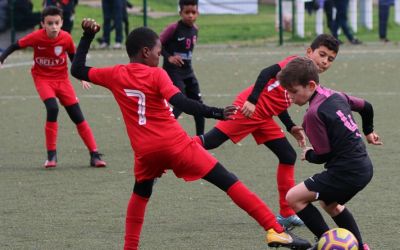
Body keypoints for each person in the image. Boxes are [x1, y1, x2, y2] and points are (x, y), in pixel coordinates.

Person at [71, 19, 312, 250]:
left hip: (145, 152)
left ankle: (130, 247)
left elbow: (78, 69)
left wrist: (88, 36)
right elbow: (183, 103)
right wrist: (217, 112)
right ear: (145, 52)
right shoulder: (157, 74)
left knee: (141, 195)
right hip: (175, 145)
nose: (160, 55)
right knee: (228, 181)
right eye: (158, 51)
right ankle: (274, 229)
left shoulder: (115, 73)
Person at [194, 34, 340, 229]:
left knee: (287, 155)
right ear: (309, 52)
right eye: (322, 54)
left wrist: (290, 127)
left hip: (264, 117)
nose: (324, 61)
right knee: (211, 142)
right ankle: (174, 148)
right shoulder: (296, 63)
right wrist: (252, 101)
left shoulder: (311, 80)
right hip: (250, 110)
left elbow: (281, 101)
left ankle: (286, 214)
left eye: (330, 59)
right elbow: (266, 73)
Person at [278, 57, 382, 250]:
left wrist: (308, 154)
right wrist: (368, 131)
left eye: (293, 92)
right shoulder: (335, 95)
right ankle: (360, 246)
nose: (290, 98)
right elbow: (366, 106)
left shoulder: (313, 114)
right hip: (363, 167)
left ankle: (327, 244)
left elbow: (323, 155)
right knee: (330, 204)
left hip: (345, 172)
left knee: (293, 197)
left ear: (310, 85)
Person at [0, 6, 106, 168]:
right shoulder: (36, 37)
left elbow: (74, 59)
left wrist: (82, 77)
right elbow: (15, 45)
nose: (54, 27)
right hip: (42, 79)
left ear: (62, 23)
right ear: (43, 24)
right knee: (52, 108)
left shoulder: (66, 38)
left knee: (77, 116)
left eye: (57, 23)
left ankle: (94, 154)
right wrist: (2, 57)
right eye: (50, 23)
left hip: (62, 81)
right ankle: (52, 156)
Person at [160, 0, 205, 135]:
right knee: (181, 102)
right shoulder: (173, 28)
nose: (190, 15)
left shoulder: (195, 30)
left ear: (197, 13)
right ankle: (163, 133)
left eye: (193, 12)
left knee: (198, 105)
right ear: (180, 13)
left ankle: (201, 139)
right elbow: (157, 44)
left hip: (188, 72)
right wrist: (169, 57)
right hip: (172, 71)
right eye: (187, 12)